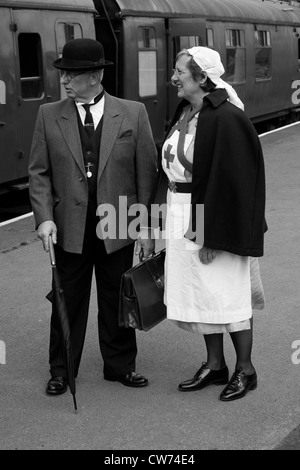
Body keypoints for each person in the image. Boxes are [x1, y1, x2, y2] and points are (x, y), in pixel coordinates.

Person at [28, 38, 157, 395]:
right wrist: (43, 218)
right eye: (64, 73)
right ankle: (61, 370)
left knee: (119, 296)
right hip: (68, 225)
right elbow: (38, 172)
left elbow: (146, 174)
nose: (65, 80)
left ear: (96, 75)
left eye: (72, 73)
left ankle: (120, 366)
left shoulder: (133, 113)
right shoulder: (48, 115)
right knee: (67, 299)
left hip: (119, 222)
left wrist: (145, 226)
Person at [152, 46, 267, 401]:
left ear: (201, 78)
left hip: (215, 217)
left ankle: (245, 369)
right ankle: (215, 364)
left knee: (226, 294)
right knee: (203, 295)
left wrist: (213, 235)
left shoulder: (228, 117)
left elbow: (236, 183)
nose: (174, 78)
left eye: (180, 73)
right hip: (183, 211)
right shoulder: (188, 110)